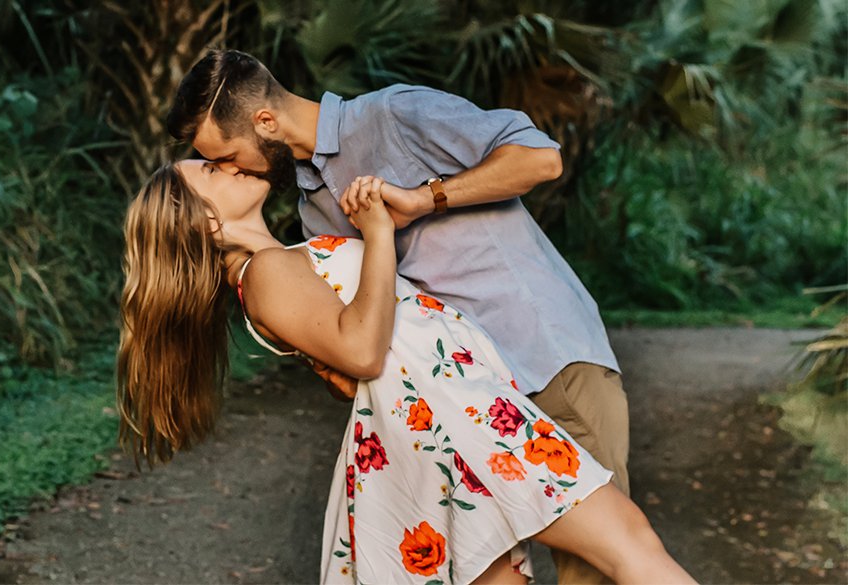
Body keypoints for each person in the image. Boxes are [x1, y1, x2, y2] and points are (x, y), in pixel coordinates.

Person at [166, 49, 628, 584]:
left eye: (225, 156)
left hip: (543, 359)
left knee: (596, 568)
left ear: (264, 122)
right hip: (467, 404)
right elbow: (368, 331)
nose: (230, 170)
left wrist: (424, 198)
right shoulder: (314, 210)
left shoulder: (393, 115)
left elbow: (539, 158)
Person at [116, 161, 693, 584]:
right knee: (630, 545)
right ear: (208, 225)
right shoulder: (264, 273)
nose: (233, 165)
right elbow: (364, 351)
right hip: (458, 422)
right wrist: (377, 231)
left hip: (447, 419)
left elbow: (349, 355)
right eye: (212, 170)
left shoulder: (283, 263)